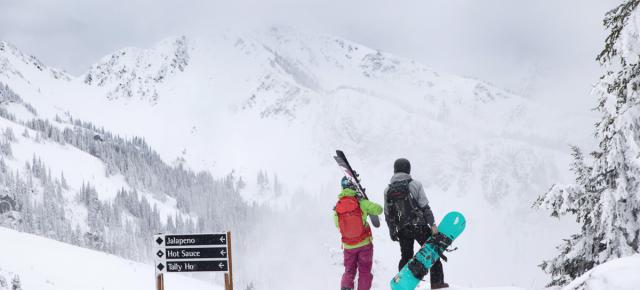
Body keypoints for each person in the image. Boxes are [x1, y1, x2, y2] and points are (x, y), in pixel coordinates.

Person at [384, 158, 449, 289]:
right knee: (432, 252)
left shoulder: (387, 190)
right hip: (419, 226)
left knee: (406, 257)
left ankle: (403, 284)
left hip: (402, 229)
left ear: (395, 170)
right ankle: (437, 283)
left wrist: (392, 230)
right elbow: (425, 207)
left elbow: (388, 214)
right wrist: (433, 225)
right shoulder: (416, 184)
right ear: (408, 169)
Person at [334, 176, 383, 290]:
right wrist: (364, 202)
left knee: (349, 271)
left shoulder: (337, 207)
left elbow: (337, 224)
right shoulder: (361, 203)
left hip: (348, 246)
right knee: (365, 271)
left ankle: (346, 287)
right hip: (364, 244)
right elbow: (379, 209)